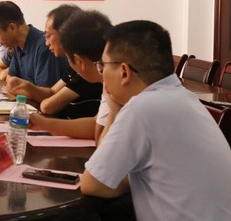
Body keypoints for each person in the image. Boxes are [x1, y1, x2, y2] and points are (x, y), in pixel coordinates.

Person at [80, 20, 231, 220]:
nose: (102, 73)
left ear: (124, 72)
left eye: (103, 65)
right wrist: (115, 112)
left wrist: (114, 112)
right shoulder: (186, 98)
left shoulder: (141, 109)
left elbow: (92, 184)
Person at [28, 9, 112, 141]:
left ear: (79, 61)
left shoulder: (114, 85)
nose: (47, 42)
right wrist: (43, 124)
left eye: (68, 58)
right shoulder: (108, 77)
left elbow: (100, 137)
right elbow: (95, 125)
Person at [7, 5, 103, 119]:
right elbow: (51, 92)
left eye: (48, 36)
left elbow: (47, 106)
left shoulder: (87, 70)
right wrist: (28, 87)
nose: (46, 43)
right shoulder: (74, 67)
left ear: (66, 35)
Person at [0, 1, 67, 93]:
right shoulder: (17, 46)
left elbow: (45, 95)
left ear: (12, 28)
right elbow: (10, 82)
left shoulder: (45, 47)